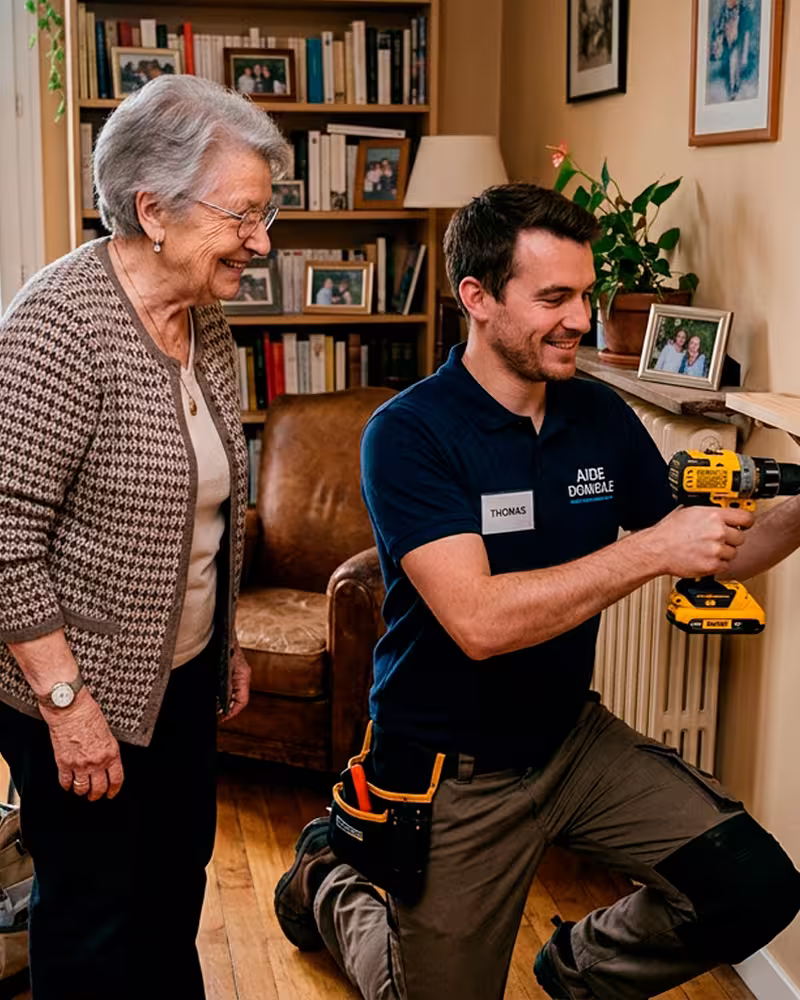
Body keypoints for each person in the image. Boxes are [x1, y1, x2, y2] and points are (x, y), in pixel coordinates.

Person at [273, 183, 800, 1000]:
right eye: (553, 297)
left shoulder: (597, 416)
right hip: (450, 768)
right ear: (477, 298)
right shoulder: (410, 433)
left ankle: (575, 969)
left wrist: (795, 509)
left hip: (569, 741)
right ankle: (329, 882)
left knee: (755, 884)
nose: (581, 319)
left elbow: (721, 556)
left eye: (584, 293)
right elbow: (480, 623)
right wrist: (655, 549)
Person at [0, 74, 289, 1000]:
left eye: (267, 213)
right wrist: (67, 706)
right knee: (92, 918)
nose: (262, 240)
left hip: (183, 682)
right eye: (243, 215)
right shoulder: (56, 328)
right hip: (75, 696)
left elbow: (208, 510)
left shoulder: (206, 325)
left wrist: (225, 645)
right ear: (153, 208)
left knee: (172, 892)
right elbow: (3, 539)